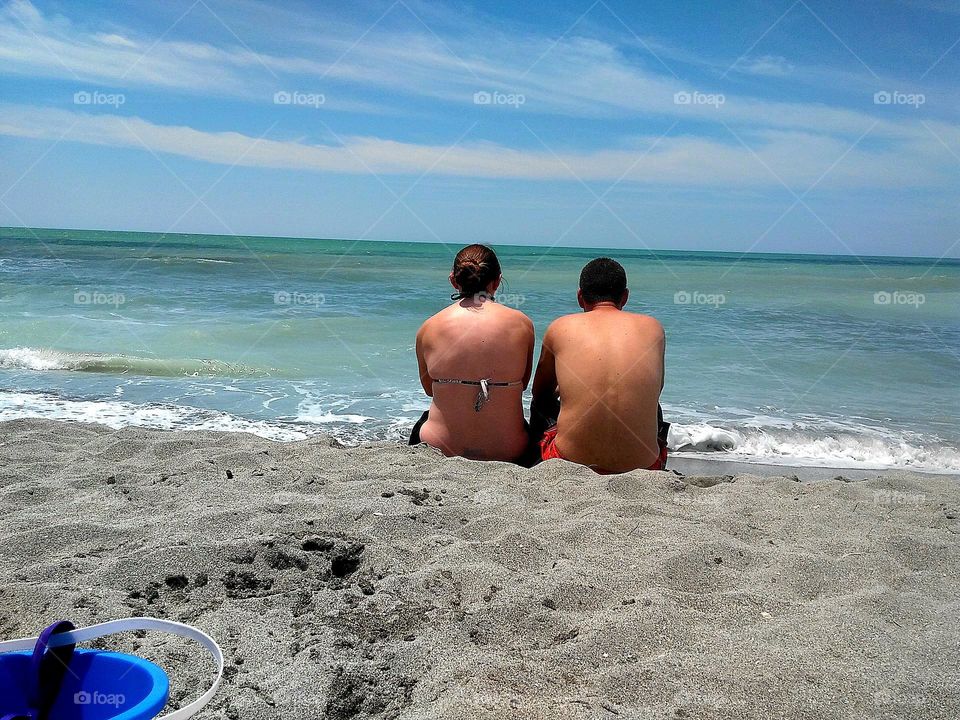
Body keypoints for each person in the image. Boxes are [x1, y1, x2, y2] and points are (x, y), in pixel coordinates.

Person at [530, 257, 669, 474]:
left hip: (567, 461)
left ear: (580, 297)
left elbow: (540, 393)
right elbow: (656, 389)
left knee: (541, 404)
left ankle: (531, 459)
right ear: (625, 296)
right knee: (653, 406)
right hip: (645, 467)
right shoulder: (654, 328)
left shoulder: (560, 327)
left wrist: (569, 389)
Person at [410, 244, 535, 462]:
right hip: (509, 450)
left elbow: (429, 390)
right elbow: (523, 384)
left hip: (440, 447)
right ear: (497, 281)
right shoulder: (522, 324)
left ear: (453, 280)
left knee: (425, 419)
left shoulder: (429, 327)